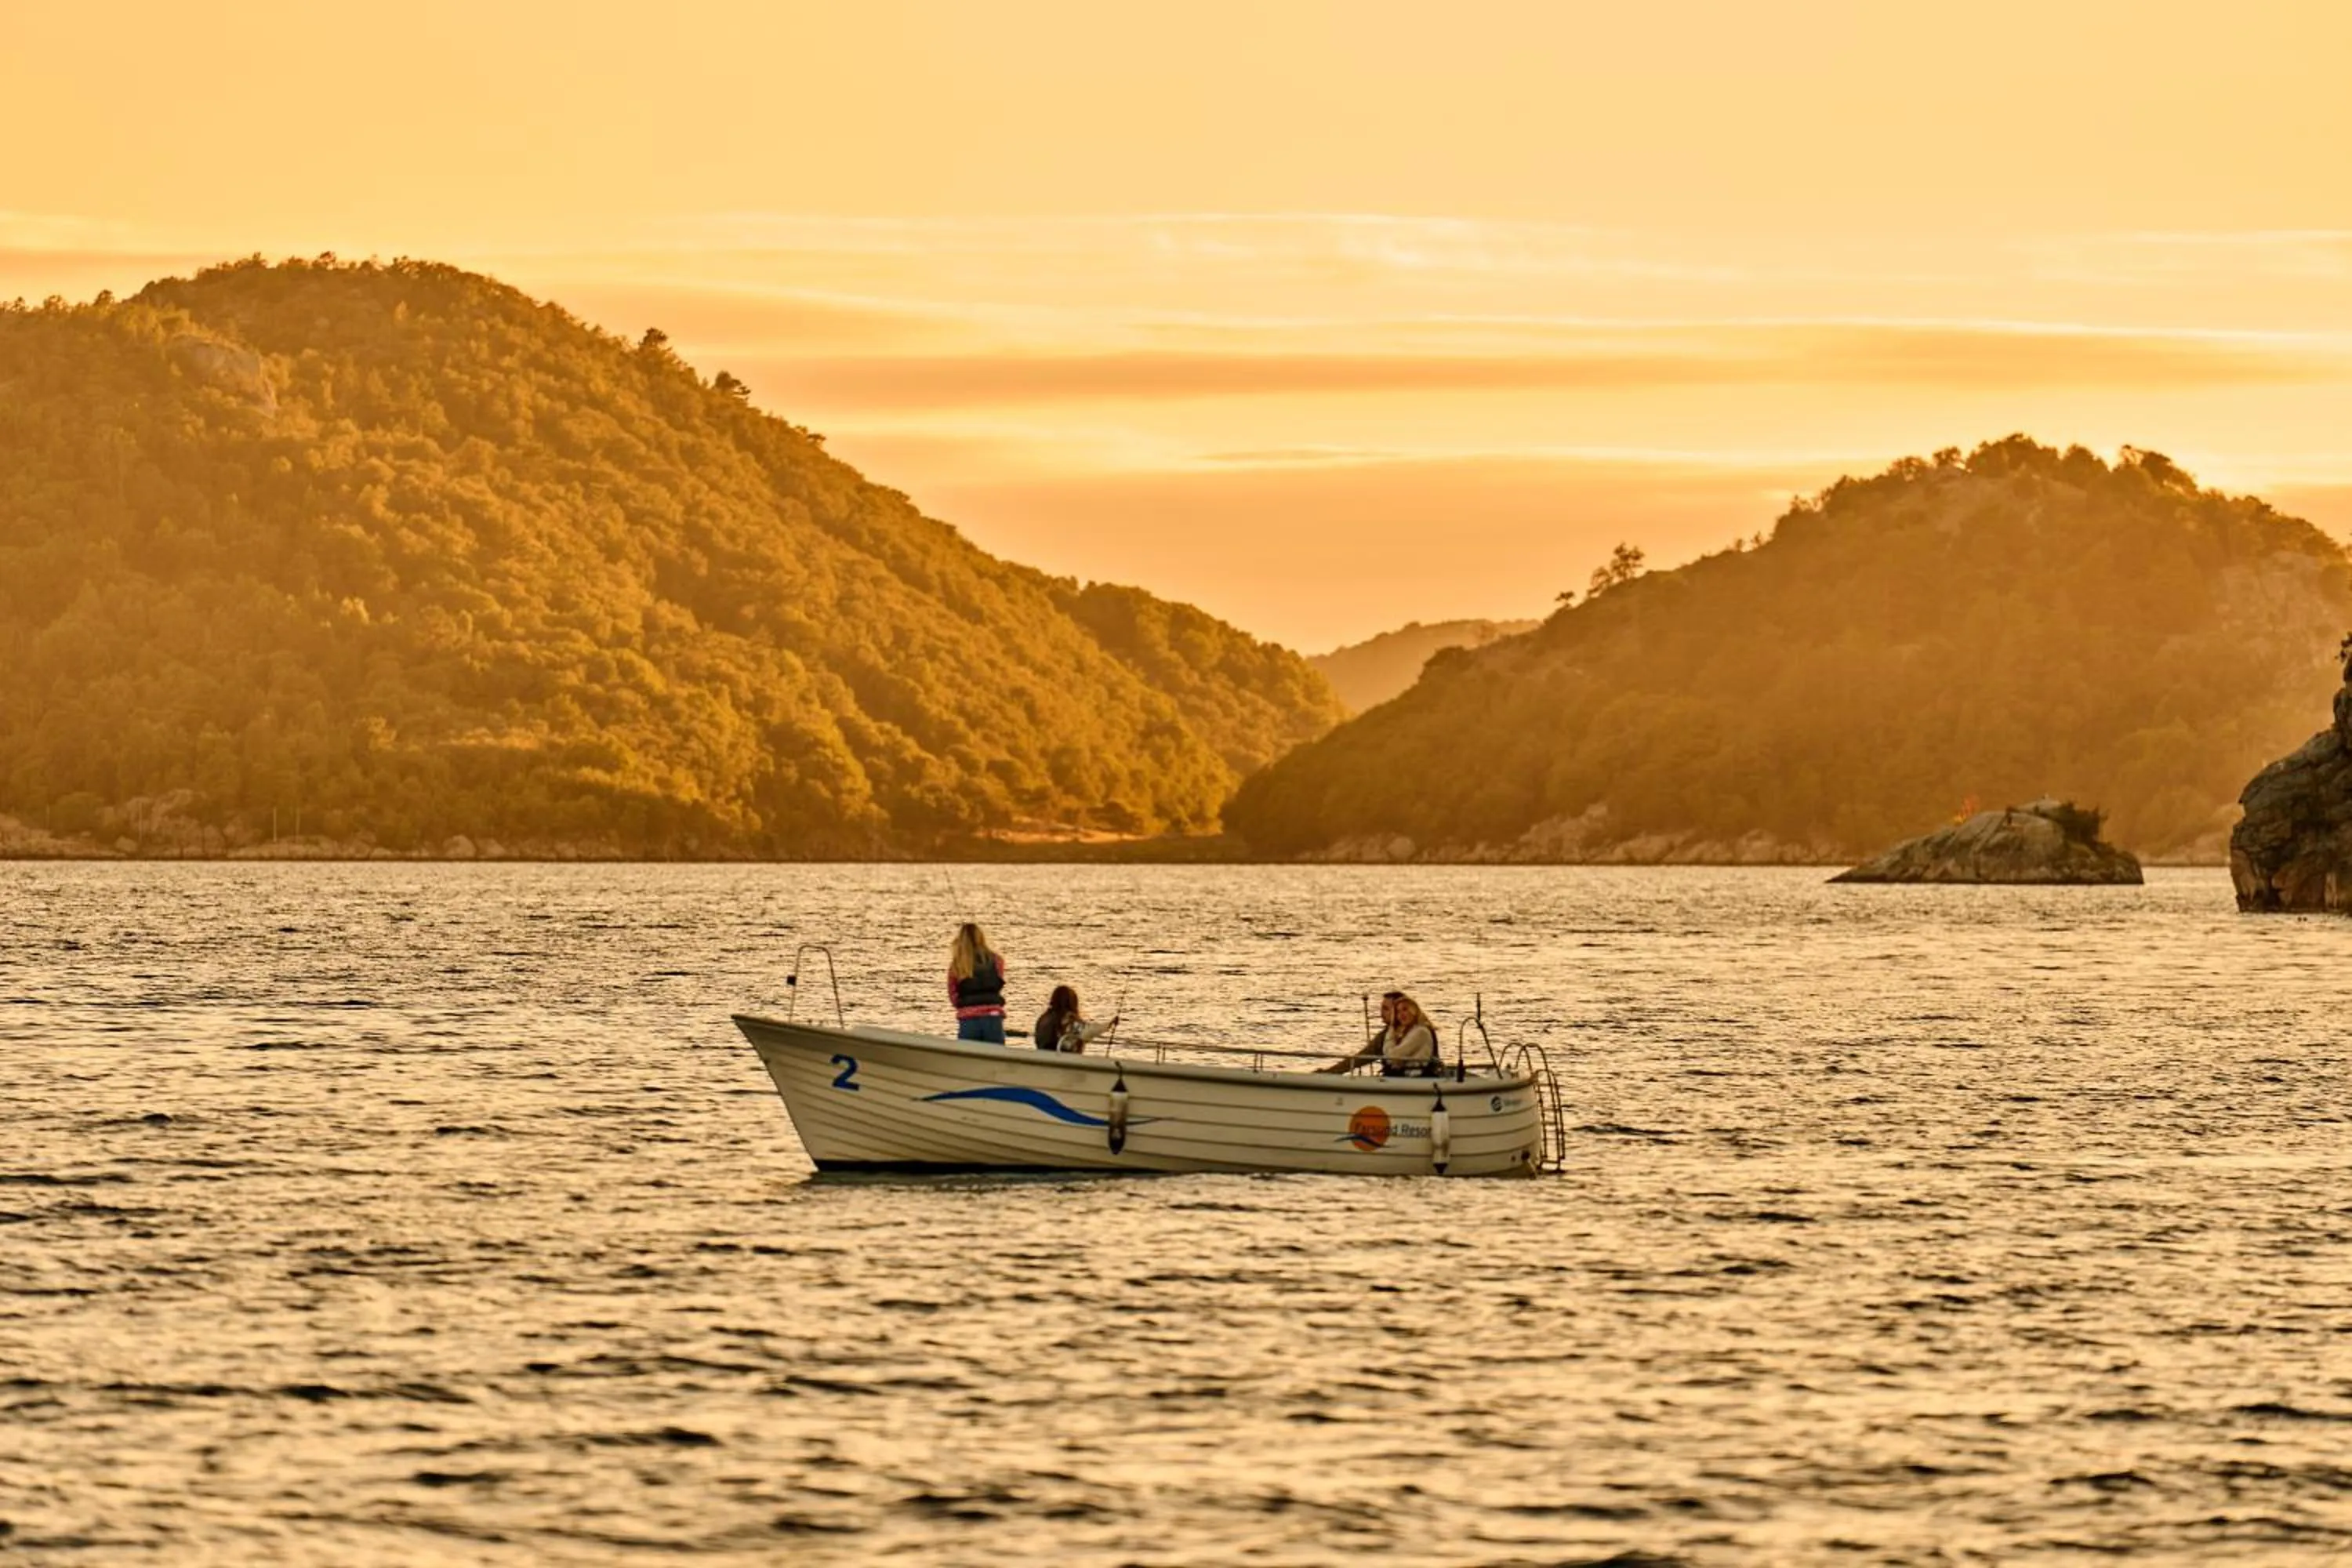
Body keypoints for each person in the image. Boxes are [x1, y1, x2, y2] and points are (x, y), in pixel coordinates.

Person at [1311, 990, 1442, 1076]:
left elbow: (1364, 1057)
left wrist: (1330, 1073)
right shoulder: (1397, 1032)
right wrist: (1331, 1072)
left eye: (1386, 1009)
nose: (1381, 1013)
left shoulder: (1418, 1032)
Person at [947, 922, 1008, 1044]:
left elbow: (953, 995)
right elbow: (997, 984)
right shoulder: (997, 960)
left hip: (968, 1019)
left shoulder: (957, 965)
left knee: (968, 1055)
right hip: (993, 1017)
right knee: (995, 1055)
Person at [1032, 985, 1116, 1054]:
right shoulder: (1069, 1020)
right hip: (1064, 1060)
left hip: (1043, 1056)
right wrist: (1109, 1025)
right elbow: (1088, 1031)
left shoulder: (1043, 1018)